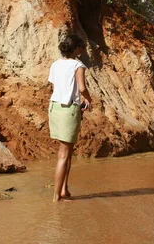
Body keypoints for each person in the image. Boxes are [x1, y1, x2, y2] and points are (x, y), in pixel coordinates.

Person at [48, 34, 92, 202]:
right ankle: (56, 197)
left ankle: (64, 190)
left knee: (67, 152)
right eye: (81, 48)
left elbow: (55, 87)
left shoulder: (55, 65)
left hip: (54, 108)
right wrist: (89, 99)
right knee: (64, 155)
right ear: (77, 49)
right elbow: (81, 88)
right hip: (69, 110)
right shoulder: (78, 65)